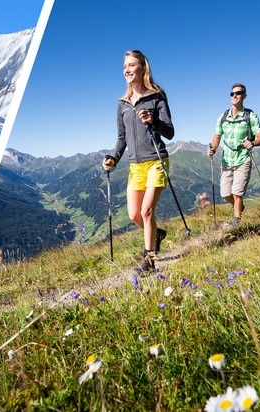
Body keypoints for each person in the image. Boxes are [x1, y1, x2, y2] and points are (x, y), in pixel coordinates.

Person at [102, 50, 174, 275]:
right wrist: (114, 158)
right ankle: (157, 233)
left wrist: (153, 121)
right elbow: (122, 138)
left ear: (144, 68)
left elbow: (170, 132)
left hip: (156, 160)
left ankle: (148, 260)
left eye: (132, 65)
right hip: (135, 166)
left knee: (146, 211)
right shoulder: (122, 103)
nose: (127, 69)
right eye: (125, 66)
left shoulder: (157, 96)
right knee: (134, 215)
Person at [207, 83, 260, 226]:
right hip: (226, 160)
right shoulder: (223, 116)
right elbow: (217, 137)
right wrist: (213, 149)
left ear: (244, 96)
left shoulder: (250, 116)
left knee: (237, 193)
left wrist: (253, 143)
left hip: (243, 159)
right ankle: (239, 207)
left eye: (238, 93)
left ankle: (237, 221)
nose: (235, 96)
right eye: (232, 94)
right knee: (225, 194)